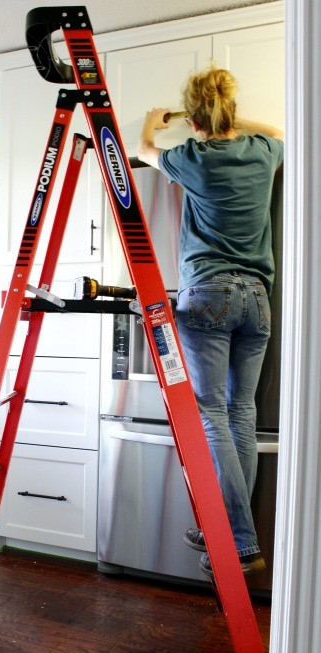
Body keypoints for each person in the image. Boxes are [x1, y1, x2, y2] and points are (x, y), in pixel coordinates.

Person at [137, 66, 284, 577]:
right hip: (258, 300)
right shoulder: (265, 153)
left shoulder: (192, 158)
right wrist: (222, 115)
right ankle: (227, 527)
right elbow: (278, 131)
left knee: (212, 415)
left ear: (195, 119)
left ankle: (237, 538)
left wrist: (153, 124)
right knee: (240, 412)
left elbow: (142, 152)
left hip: (209, 295)